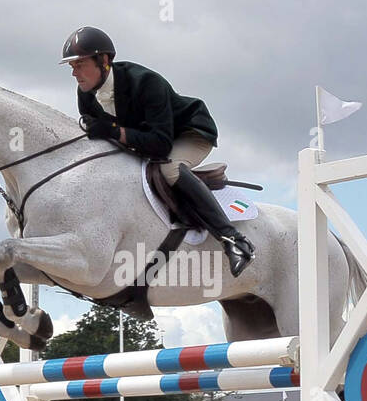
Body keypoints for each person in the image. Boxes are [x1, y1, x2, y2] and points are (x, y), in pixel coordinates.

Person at [60, 25, 255, 277]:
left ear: (104, 60)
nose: (74, 73)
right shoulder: (85, 94)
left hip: (188, 132)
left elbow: (160, 144)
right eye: (72, 67)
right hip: (146, 140)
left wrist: (113, 131)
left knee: (169, 167)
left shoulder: (146, 82)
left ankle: (234, 240)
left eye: (79, 64)